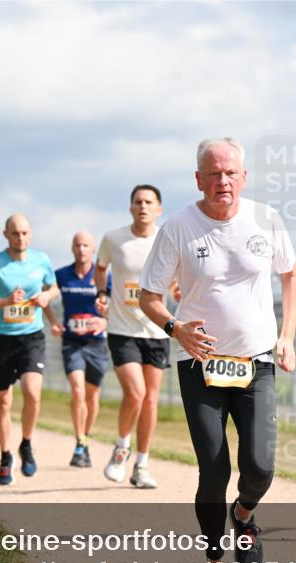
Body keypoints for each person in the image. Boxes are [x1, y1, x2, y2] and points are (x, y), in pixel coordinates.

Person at [140, 138, 296, 563]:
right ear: (198, 179)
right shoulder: (177, 227)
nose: (223, 181)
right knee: (213, 471)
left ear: (244, 177)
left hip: (256, 359)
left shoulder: (266, 219)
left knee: (260, 466)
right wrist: (176, 329)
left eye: (230, 172)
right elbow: (149, 296)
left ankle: (245, 515)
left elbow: (291, 275)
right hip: (199, 364)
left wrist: (286, 335)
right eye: (213, 173)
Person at [0, 214, 58, 486]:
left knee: (32, 392)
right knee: (2, 401)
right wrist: (5, 301)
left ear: (31, 234)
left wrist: (46, 296)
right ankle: (6, 456)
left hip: (32, 337)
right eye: (16, 233)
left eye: (26, 233)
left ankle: (26, 443)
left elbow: (53, 288)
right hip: (1, 339)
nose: (21, 238)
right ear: (5, 234)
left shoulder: (41, 260)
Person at [95, 184, 175, 489]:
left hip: (156, 329)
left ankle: (141, 465)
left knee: (151, 400)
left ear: (159, 209)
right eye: (138, 202)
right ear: (131, 208)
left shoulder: (165, 239)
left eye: (149, 202)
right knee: (136, 393)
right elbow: (100, 268)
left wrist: (177, 290)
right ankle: (121, 448)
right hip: (121, 328)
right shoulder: (113, 238)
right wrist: (101, 292)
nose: (143, 206)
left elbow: (176, 276)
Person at [45, 231, 111, 468]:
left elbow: (117, 307)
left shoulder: (103, 277)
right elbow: (46, 298)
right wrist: (53, 321)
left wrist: (106, 321)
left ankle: (86, 437)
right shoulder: (62, 275)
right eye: (77, 245)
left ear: (93, 249)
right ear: (72, 248)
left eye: (86, 245)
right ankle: (79, 441)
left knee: (93, 395)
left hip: (97, 344)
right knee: (77, 391)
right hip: (72, 342)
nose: (81, 249)